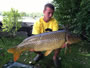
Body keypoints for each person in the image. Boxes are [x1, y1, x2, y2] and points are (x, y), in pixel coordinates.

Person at [31, 3, 61, 67]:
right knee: (33, 47)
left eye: (52, 13)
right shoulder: (38, 22)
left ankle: (55, 57)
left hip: (52, 41)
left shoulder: (54, 21)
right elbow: (35, 38)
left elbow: (56, 36)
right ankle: (40, 54)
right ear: (44, 12)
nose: (50, 15)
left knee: (60, 43)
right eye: (49, 13)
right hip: (41, 42)